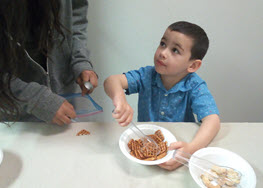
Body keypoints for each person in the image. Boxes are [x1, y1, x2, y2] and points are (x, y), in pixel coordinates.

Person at [104, 21, 220, 170]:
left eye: (175, 50)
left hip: (178, 147)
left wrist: (191, 149)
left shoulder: (195, 86)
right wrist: (120, 100)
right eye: (163, 44)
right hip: (144, 145)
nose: (163, 53)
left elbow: (213, 120)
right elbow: (111, 81)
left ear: (193, 66)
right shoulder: (146, 75)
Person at [0, 0, 98, 125]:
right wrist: (35, 98)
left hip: (62, 97)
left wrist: (80, 59)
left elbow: (76, 14)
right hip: (14, 116)